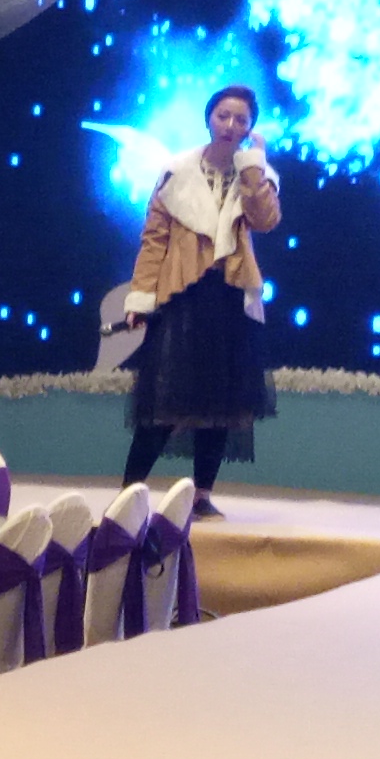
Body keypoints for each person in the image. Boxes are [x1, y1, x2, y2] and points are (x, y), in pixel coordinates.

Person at [115, 86, 282, 502]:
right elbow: (154, 239)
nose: (230, 126)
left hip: (230, 297)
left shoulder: (256, 175)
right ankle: (129, 493)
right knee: (163, 400)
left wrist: (254, 167)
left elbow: (265, 220)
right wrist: (141, 297)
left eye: (241, 119)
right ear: (209, 118)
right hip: (181, 297)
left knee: (220, 404)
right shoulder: (177, 172)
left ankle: (202, 496)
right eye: (223, 116)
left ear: (250, 128)